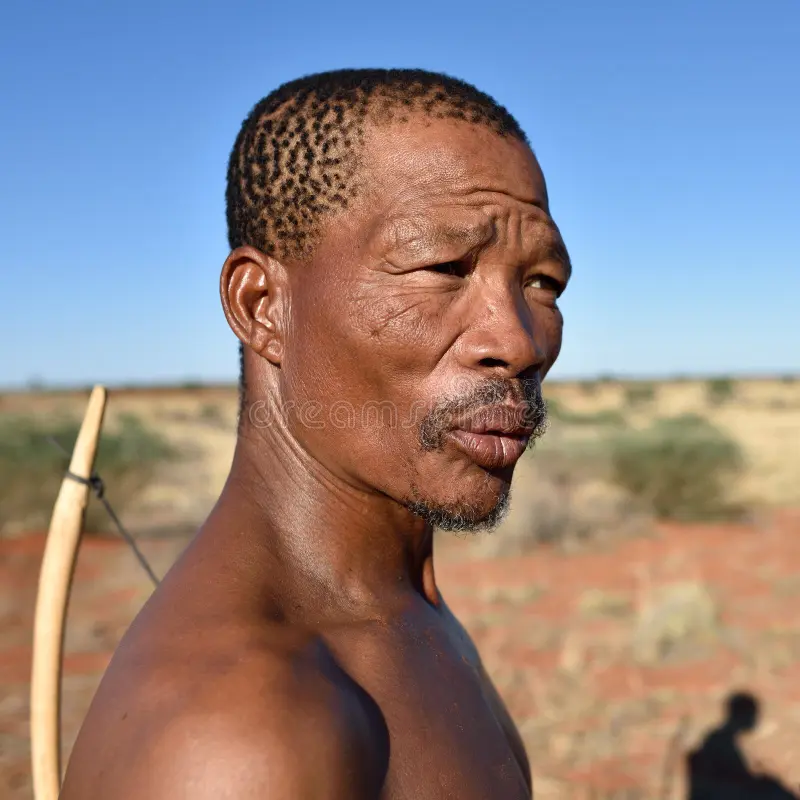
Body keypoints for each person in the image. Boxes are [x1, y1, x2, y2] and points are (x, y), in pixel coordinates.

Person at [61, 68, 571, 799]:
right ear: (262, 306)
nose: (518, 342)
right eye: (442, 267)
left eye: (542, 282)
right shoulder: (242, 738)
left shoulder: (399, 602)